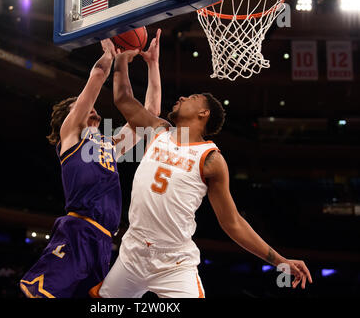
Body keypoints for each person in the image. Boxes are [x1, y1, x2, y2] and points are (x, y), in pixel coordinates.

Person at [90, 49, 313, 298]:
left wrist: (279, 260)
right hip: (132, 253)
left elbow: (232, 222)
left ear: (203, 114)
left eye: (192, 97)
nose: (183, 97)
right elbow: (123, 98)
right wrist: (121, 57)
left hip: (173, 264)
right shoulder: (159, 129)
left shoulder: (211, 159)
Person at [20, 32, 162, 298]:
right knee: (40, 294)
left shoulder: (109, 144)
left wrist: (153, 65)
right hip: (78, 231)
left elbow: (150, 117)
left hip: (104, 240)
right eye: (85, 106)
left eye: (93, 106)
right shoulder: (70, 135)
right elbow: (97, 76)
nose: (93, 108)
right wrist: (109, 53)